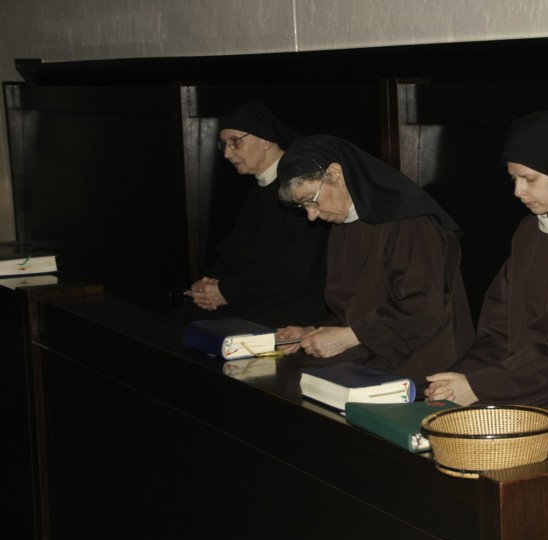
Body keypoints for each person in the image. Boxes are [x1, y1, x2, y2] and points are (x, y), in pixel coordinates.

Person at [423, 111, 548, 450]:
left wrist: (480, 387)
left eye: (529, 179)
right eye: (513, 179)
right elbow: (496, 329)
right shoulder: (527, 231)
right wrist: (461, 378)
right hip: (513, 381)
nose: (517, 191)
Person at [274, 134, 474, 387]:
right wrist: (313, 332)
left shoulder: (408, 219)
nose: (312, 216)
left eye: (311, 200)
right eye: (303, 207)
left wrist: (348, 337)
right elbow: (357, 308)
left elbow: (422, 309)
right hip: (375, 349)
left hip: (423, 362)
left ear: (335, 174)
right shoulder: (344, 221)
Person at [179, 102, 330, 327]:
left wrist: (226, 292)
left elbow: (295, 267)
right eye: (224, 145)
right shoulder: (262, 187)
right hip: (251, 294)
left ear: (267, 139)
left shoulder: (301, 185)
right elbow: (235, 249)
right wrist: (208, 284)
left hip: (290, 302)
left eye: (235, 141)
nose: (227, 153)